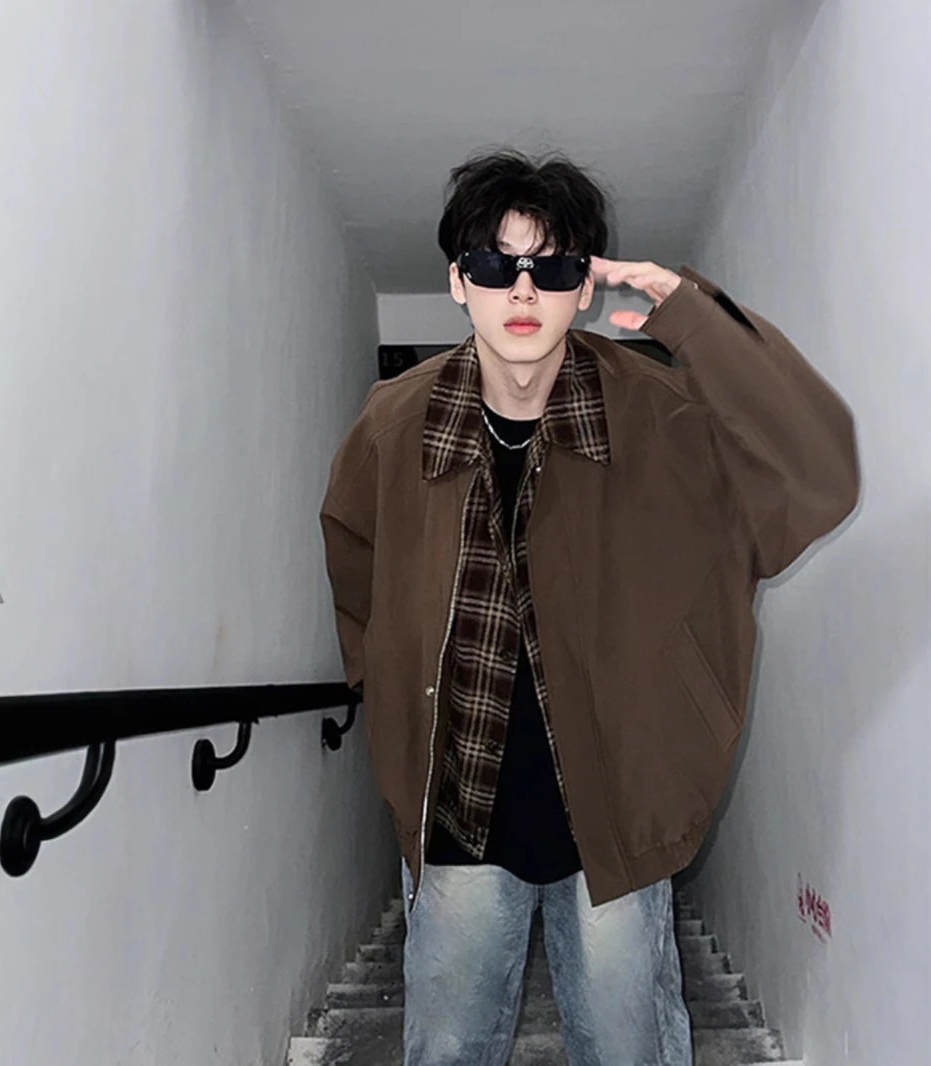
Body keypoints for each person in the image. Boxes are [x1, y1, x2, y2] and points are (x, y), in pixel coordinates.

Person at [320, 148, 859, 1066]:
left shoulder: (661, 417)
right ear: (457, 282)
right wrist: (392, 701)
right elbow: (354, 563)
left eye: (554, 265)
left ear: (583, 286)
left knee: (627, 1047)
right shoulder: (394, 424)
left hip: (618, 807)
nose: (523, 290)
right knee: (446, 1049)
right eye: (495, 264)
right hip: (456, 810)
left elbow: (819, 475)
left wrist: (691, 315)